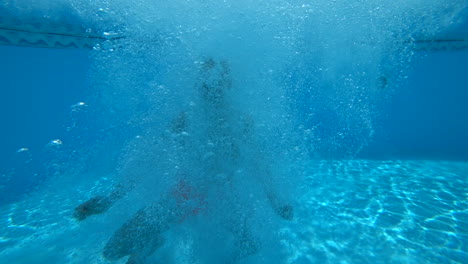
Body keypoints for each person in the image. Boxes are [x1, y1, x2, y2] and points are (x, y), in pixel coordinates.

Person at [74, 58, 293, 263]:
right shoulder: (186, 118)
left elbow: (259, 163)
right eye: (205, 81)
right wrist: (108, 201)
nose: (211, 88)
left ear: (228, 84)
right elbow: (149, 159)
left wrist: (276, 201)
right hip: (185, 194)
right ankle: (154, 243)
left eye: (218, 81)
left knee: (248, 247)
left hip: (224, 200)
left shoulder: (240, 121)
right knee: (113, 251)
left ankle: (158, 244)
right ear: (198, 84)